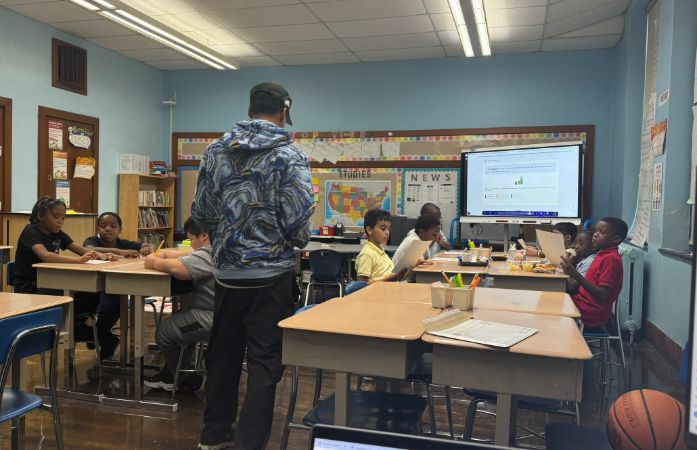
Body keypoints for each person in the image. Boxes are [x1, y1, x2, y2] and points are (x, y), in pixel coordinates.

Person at [191, 82, 314, 450]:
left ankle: (213, 437)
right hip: (271, 276)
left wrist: (229, 239)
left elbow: (202, 214)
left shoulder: (215, 150)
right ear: (284, 110)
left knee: (223, 356)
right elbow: (297, 224)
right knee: (263, 364)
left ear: (250, 109)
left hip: (227, 276)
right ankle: (249, 443)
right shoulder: (291, 156)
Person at [13, 197, 116, 342]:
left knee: (94, 295)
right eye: (56, 217)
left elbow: (81, 250)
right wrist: (78, 261)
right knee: (74, 295)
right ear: (41, 215)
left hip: (52, 283)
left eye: (63, 217)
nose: (60, 221)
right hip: (31, 287)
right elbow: (46, 256)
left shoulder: (58, 233)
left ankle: (79, 330)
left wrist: (101, 255)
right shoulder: (30, 231)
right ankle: (78, 331)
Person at [143, 217, 213, 393]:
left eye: (191, 239)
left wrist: (154, 262)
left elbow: (177, 270)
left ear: (204, 236)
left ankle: (181, 378)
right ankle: (178, 370)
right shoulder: (220, 249)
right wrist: (165, 254)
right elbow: (188, 255)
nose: (190, 244)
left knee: (165, 332)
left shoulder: (208, 254)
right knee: (181, 323)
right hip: (225, 314)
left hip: (211, 317)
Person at [82, 212, 152, 359]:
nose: (108, 229)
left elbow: (147, 245)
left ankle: (100, 337)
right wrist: (120, 252)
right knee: (101, 306)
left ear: (120, 229)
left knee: (113, 305)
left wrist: (146, 247)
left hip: (114, 286)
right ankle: (100, 337)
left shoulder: (125, 243)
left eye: (113, 226)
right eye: (103, 226)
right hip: (91, 287)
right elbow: (89, 249)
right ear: (97, 229)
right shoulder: (92, 240)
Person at [560, 217, 627, 330]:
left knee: (549, 305)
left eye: (602, 232)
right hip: (582, 303)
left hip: (589, 312)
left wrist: (575, 274)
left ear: (615, 239)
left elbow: (603, 295)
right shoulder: (602, 255)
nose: (595, 235)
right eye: (596, 231)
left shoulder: (610, 259)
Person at [355, 208, 408, 284]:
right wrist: (391, 279)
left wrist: (413, 265)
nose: (387, 232)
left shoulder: (381, 252)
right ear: (369, 230)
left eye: (388, 229)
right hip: (378, 294)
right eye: (383, 229)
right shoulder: (367, 254)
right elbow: (361, 285)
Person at [390, 214, 440, 281]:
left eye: (437, 235)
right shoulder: (414, 241)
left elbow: (426, 260)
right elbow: (420, 269)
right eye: (434, 235)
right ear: (421, 232)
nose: (436, 239)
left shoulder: (422, 240)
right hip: (399, 282)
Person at [565, 231, 596, 295]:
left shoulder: (590, 262)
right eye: (576, 243)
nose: (576, 246)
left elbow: (571, 287)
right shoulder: (584, 259)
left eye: (581, 244)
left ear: (593, 247)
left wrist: (567, 266)